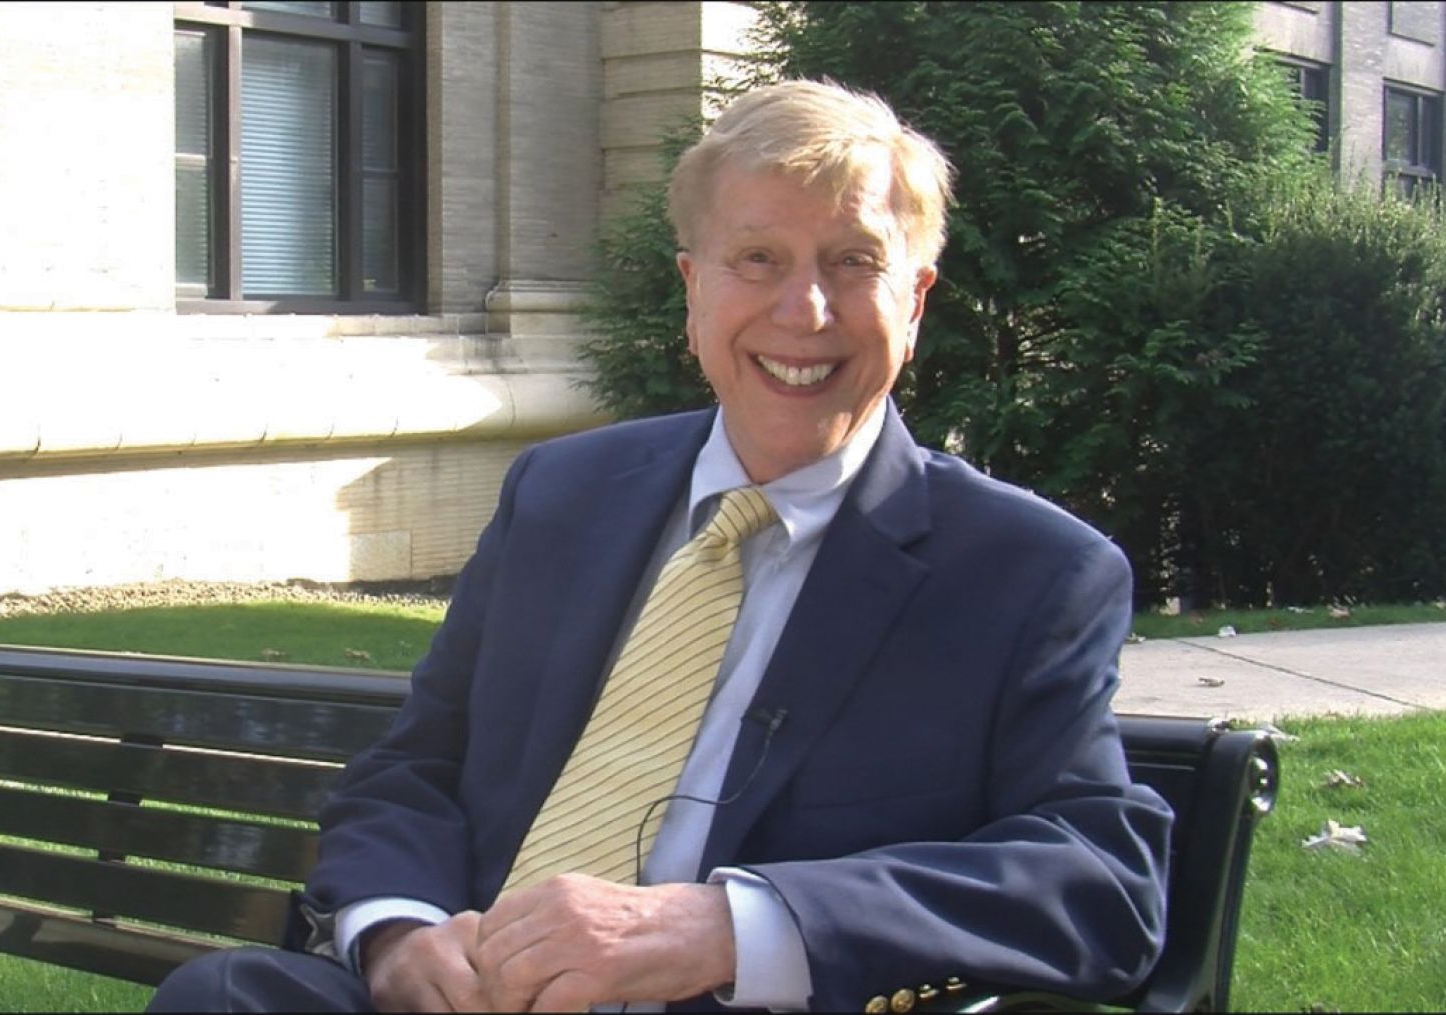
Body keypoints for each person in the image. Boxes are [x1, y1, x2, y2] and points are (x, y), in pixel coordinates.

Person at [149, 78, 1173, 1014]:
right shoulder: (563, 493)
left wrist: (731, 925)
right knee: (220, 997)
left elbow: (1100, 880)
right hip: (471, 993)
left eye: (853, 262)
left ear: (915, 299)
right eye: (758, 259)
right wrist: (397, 930)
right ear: (694, 288)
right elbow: (416, 762)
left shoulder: (1026, 573)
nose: (803, 309)